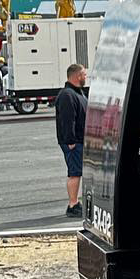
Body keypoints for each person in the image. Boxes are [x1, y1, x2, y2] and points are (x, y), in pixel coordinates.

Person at [56, 63, 89, 217]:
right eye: (84, 74)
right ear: (77, 76)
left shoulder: (78, 93)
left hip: (79, 140)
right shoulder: (68, 95)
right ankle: (73, 204)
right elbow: (68, 120)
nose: (85, 77)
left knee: (78, 172)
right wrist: (71, 141)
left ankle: (75, 202)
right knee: (74, 173)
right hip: (73, 141)